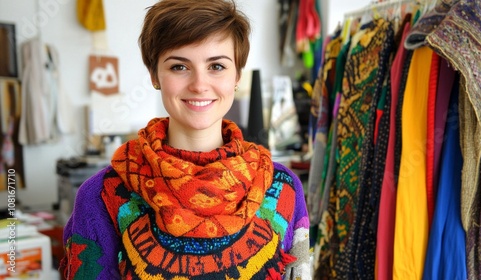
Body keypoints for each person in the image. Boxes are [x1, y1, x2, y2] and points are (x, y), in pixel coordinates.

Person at [60, 0, 310, 279]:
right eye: (179, 67)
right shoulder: (103, 196)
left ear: (237, 75)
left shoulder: (282, 189)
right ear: (155, 75)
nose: (199, 84)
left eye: (216, 66)